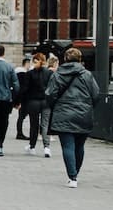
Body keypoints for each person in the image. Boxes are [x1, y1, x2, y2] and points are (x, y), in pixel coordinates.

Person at [45, 47, 99, 188]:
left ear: (65, 59)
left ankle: (72, 176)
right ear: (80, 59)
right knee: (79, 146)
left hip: (63, 113)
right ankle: (76, 173)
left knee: (68, 145)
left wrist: (55, 105)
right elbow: (96, 94)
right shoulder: (87, 75)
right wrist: (88, 106)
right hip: (83, 113)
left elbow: (50, 94)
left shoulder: (58, 74)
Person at [22, 53, 52, 157]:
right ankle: (47, 147)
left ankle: (32, 146)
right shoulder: (49, 73)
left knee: (33, 125)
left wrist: (22, 101)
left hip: (33, 102)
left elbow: (25, 89)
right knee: (45, 124)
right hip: (46, 101)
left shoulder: (29, 73)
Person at [15, 57, 31, 139]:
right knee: (21, 116)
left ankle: (19, 132)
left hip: (20, 97)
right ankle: (19, 133)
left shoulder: (18, 72)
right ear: (27, 63)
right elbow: (24, 88)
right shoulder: (23, 73)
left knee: (21, 116)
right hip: (24, 98)